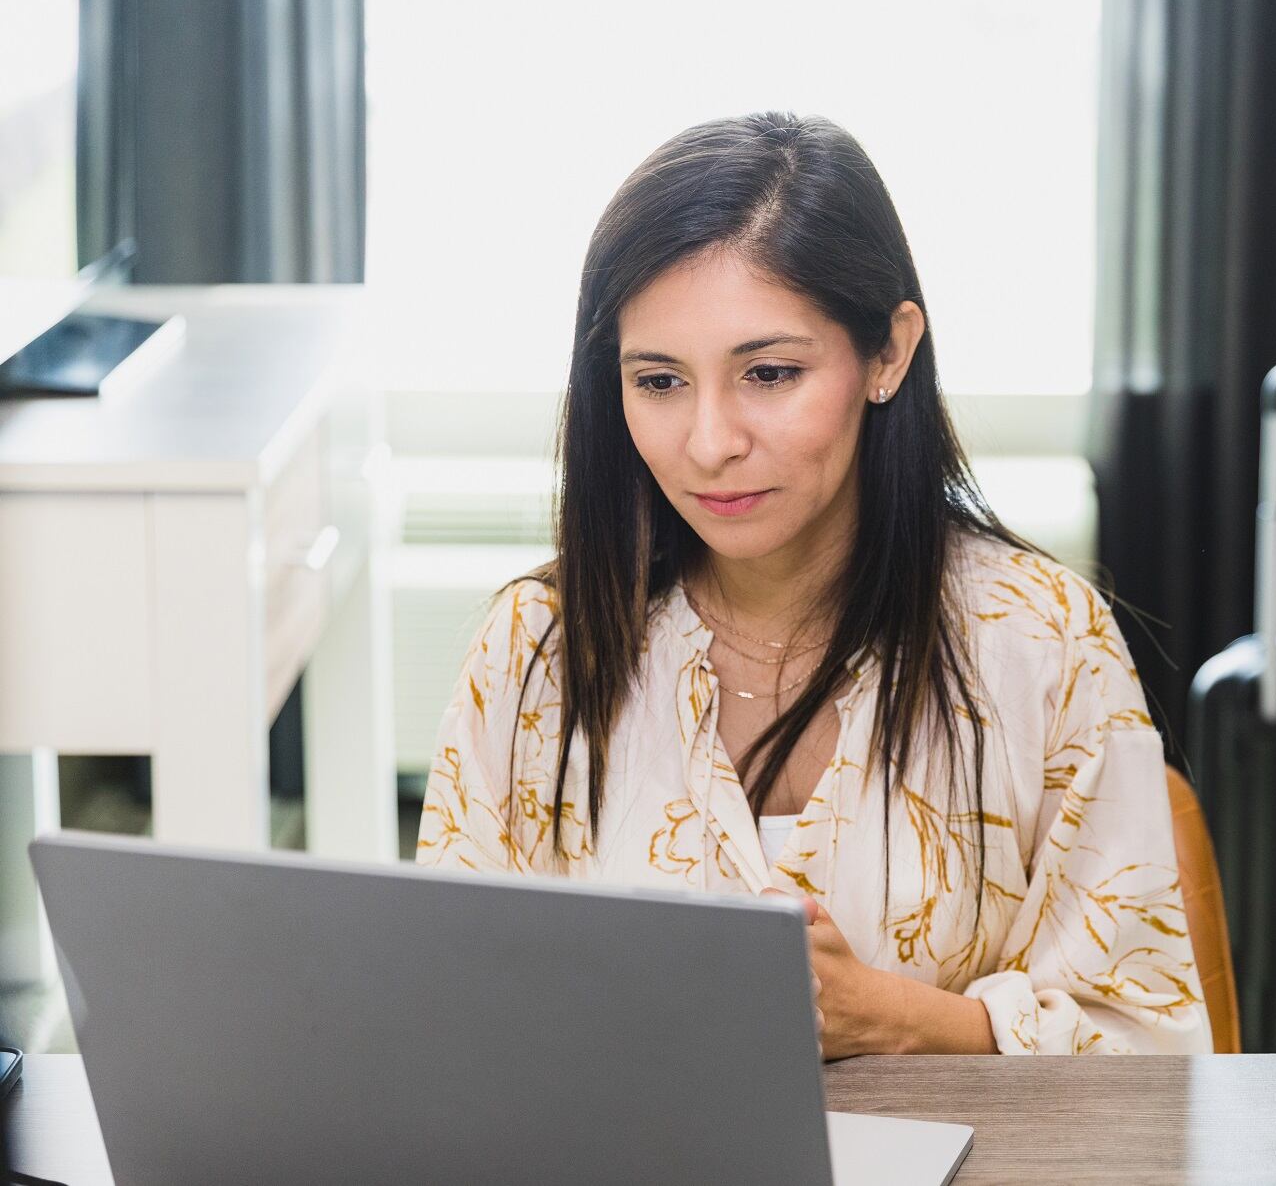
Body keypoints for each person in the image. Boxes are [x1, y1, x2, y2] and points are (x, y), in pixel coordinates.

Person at [414, 111, 1211, 1059]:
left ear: (889, 353)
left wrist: (896, 1018)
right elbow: (452, 1031)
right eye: (660, 382)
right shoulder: (534, 650)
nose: (710, 442)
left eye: (770, 372)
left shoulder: (1042, 641)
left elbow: (1153, 1062)